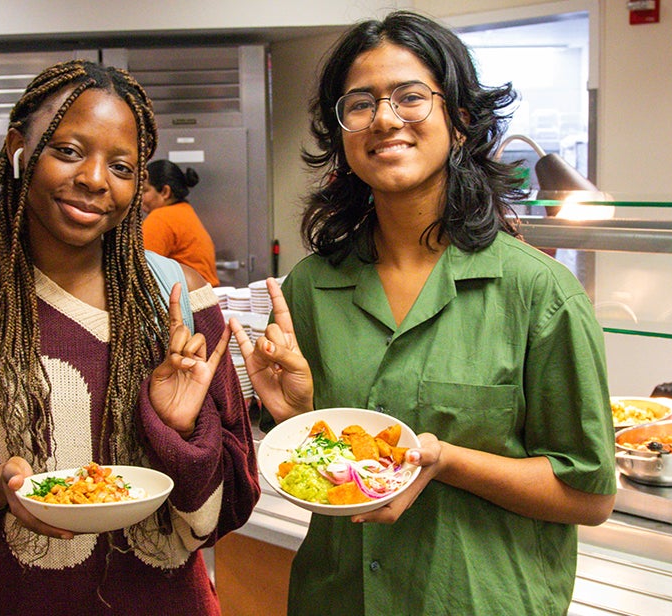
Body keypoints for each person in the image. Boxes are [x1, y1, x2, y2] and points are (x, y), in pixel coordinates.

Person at [230, 11, 616, 615]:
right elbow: (332, 466)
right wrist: (299, 419)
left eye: (411, 97)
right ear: (342, 134)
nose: (384, 118)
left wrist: (446, 462)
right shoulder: (311, 287)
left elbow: (587, 495)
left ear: (460, 121)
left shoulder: (538, 292)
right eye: (360, 103)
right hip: (338, 599)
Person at [0, 60, 260, 615]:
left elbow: (228, 511)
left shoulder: (179, 302)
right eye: (70, 151)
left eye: (123, 166)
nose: (96, 179)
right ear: (18, 149)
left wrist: (179, 431)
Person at [142, 159, 221, 285]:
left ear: (165, 192)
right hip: (206, 295)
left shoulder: (161, 217)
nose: (140, 197)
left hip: (189, 299)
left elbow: (142, 271)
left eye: (145, 191)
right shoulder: (184, 211)